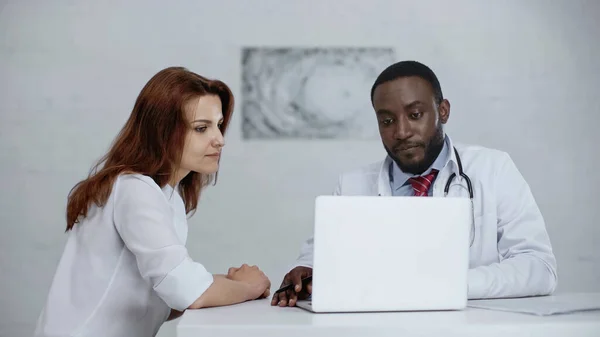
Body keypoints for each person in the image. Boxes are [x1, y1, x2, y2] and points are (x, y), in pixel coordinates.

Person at [272, 60, 557, 307]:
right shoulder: (351, 186)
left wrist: (445, 286)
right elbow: (316, 261)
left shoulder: (493, 169)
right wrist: (305, 273)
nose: (402, 131)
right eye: (386, 120)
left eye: (415, 115)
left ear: (443, 111)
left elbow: (539, 268)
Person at [35, 67, 271, 337]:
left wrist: (227, 284)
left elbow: (165, 292)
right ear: (162, 132)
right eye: (201, 128)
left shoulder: (165, 195)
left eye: (218, 125)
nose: (219, 140)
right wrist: (247, 287)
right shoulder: (134, 190)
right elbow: (184, 290)